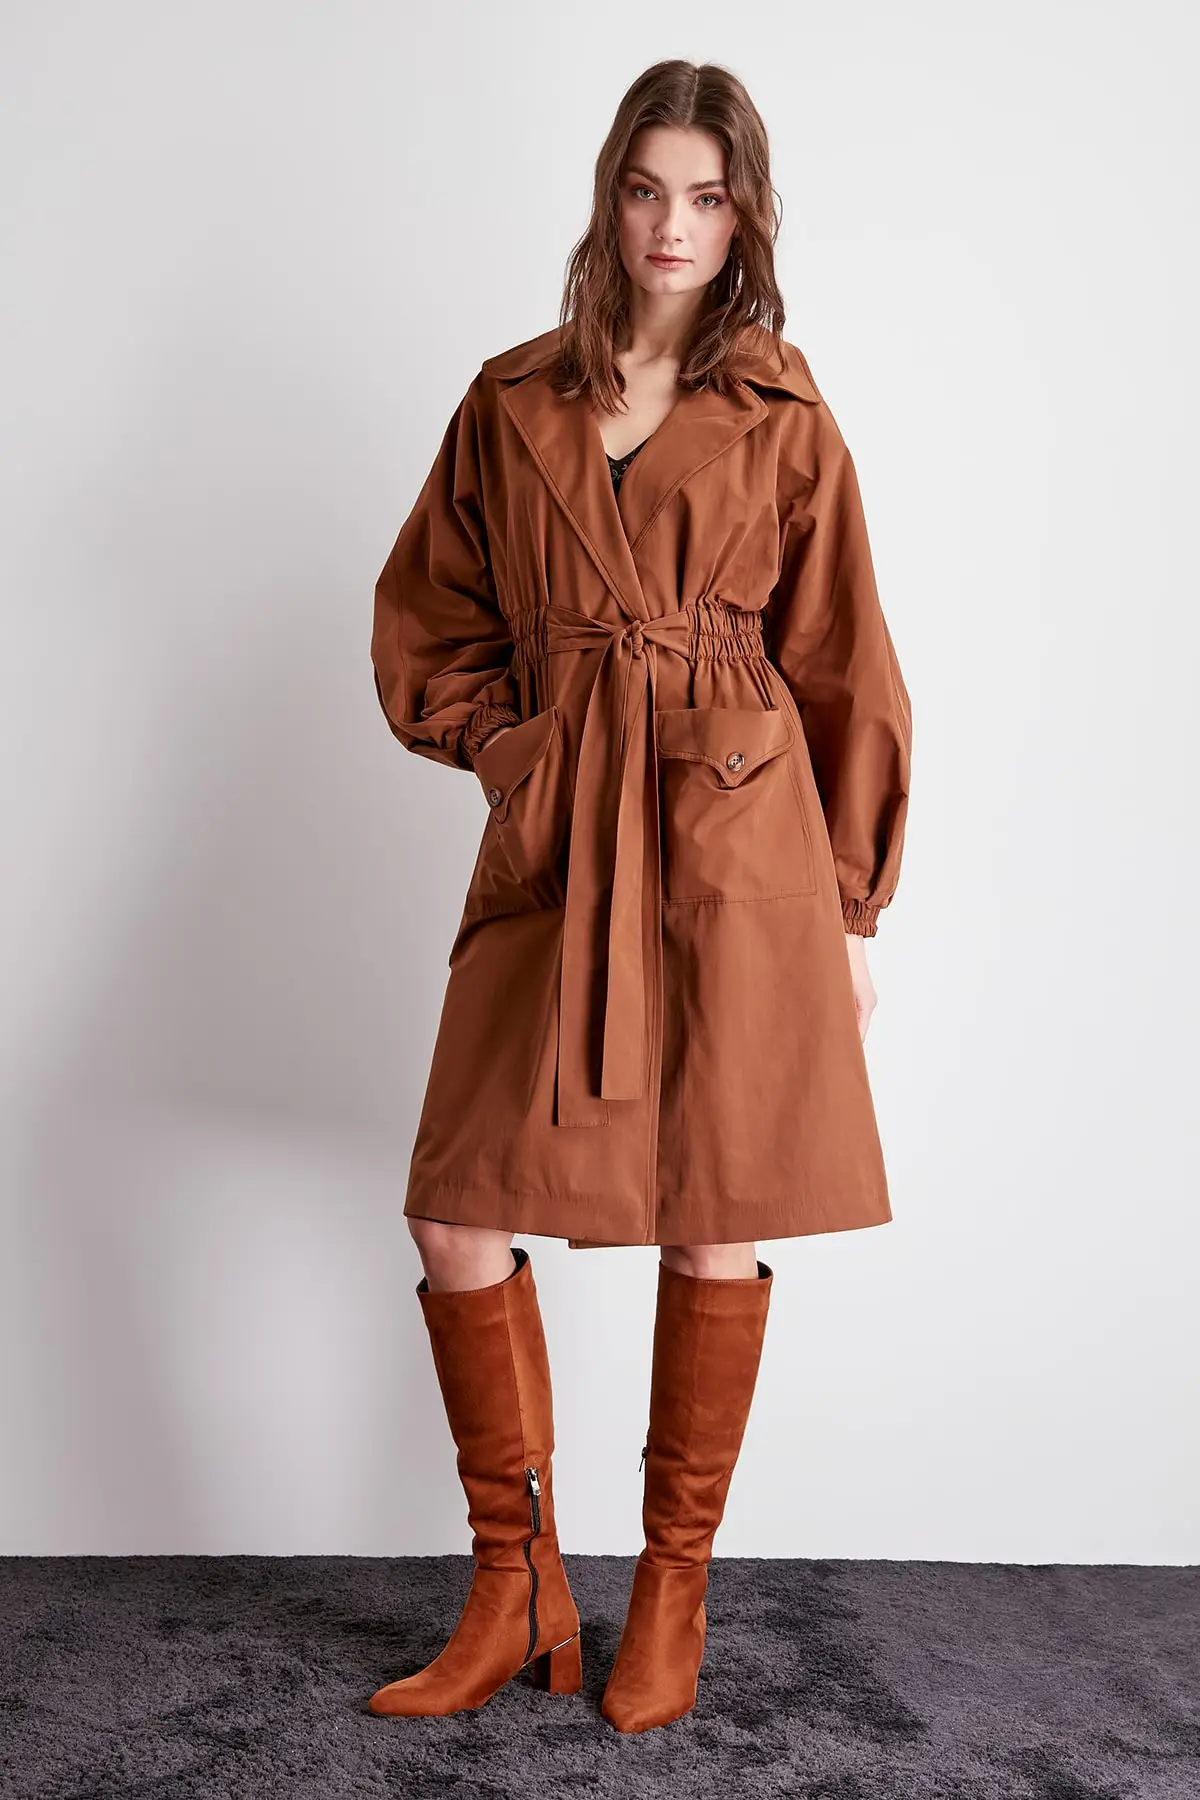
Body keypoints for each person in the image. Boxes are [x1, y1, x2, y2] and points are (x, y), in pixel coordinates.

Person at [366, 57, 912, 1733]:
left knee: (713, 1206)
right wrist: (512, 751)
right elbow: (427, 620)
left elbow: (844, 662)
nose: (673, 225)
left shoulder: (784, 416)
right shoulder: (512, 400)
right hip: (562, 835)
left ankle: (672, 1587)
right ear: (609, 198)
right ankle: (517, 1584)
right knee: (456, 1204)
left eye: (707, 195)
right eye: (646, 189)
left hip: (737, 844)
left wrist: (850, 904)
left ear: (745, 216)